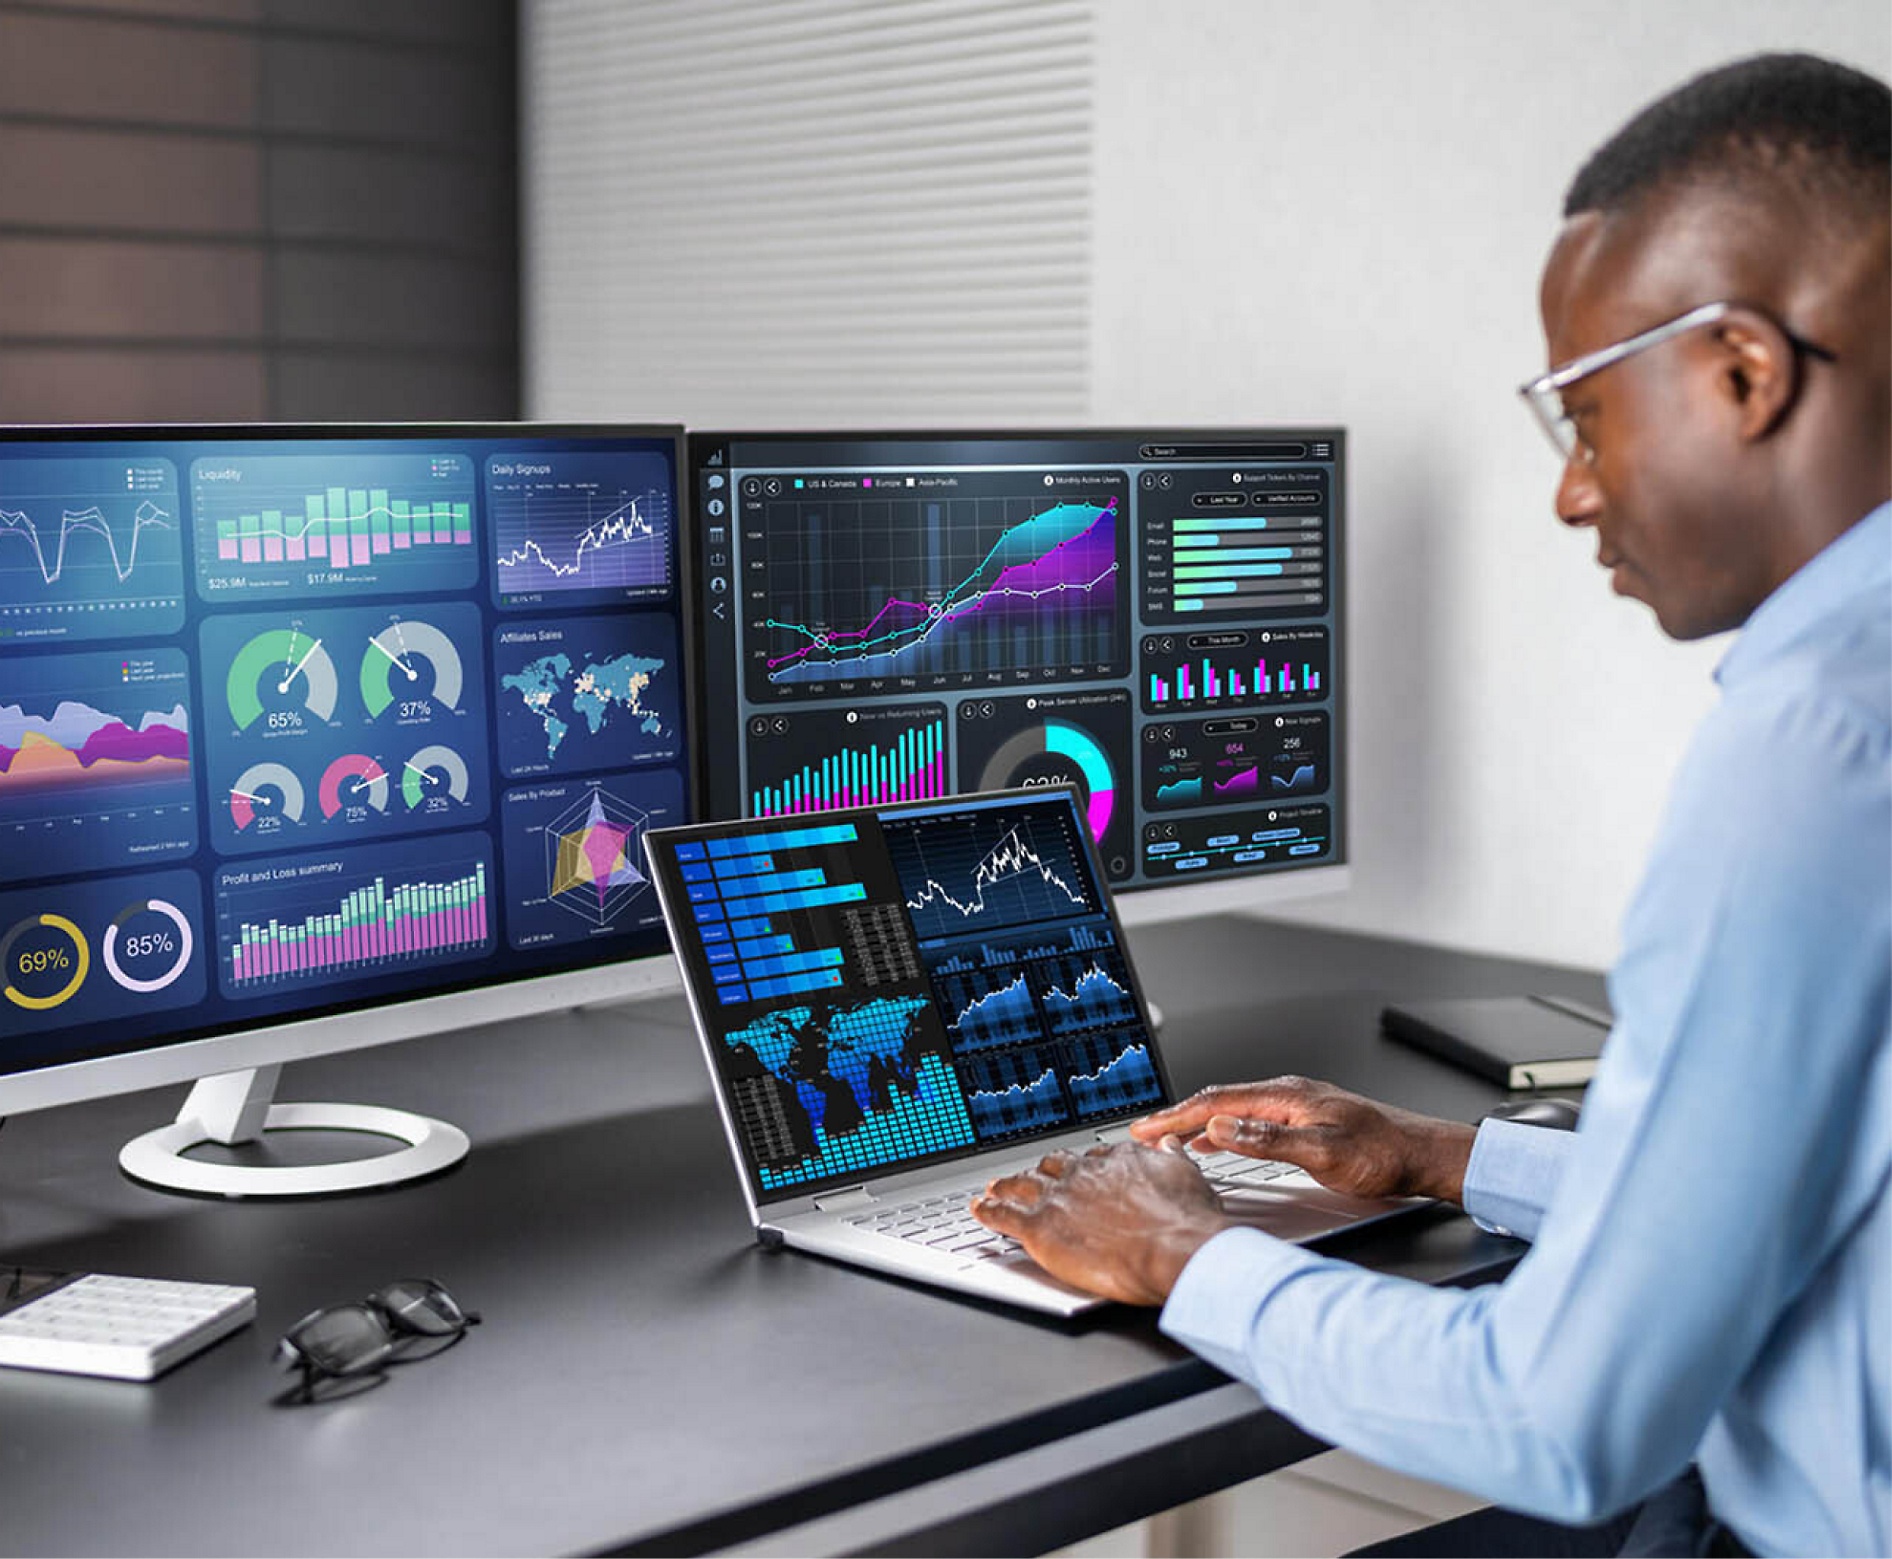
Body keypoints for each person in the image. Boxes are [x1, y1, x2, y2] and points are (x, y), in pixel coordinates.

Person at [970, 52, 1890, 1559]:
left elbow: (1564, 1420)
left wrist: (1183, 1250)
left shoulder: (1819, 749)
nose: (1572, 495)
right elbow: (1802, 1173)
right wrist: (1456, 1158)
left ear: (1742, 371)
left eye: (1586, 420)